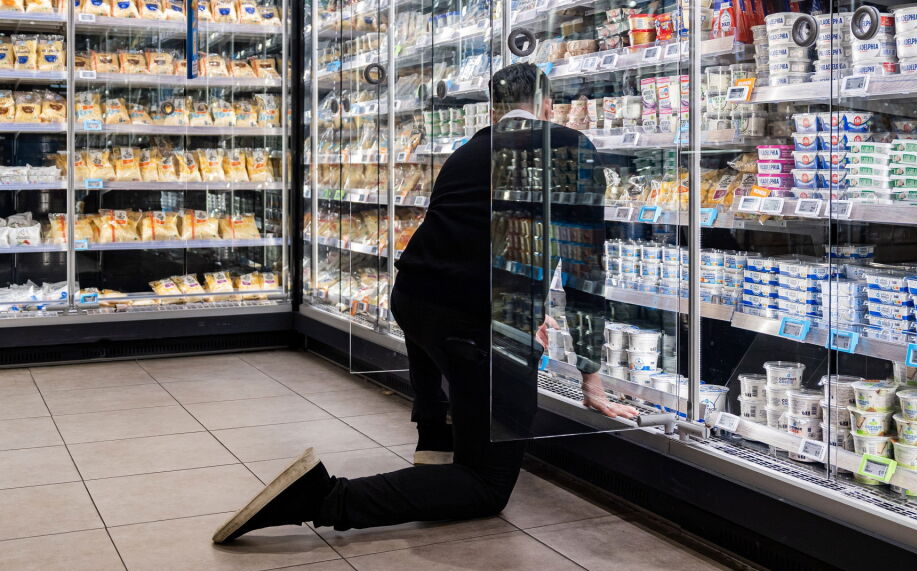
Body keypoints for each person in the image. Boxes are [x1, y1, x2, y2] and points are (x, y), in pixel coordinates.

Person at [211, 63, 637, 544]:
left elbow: (478, 240)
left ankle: (435, 438)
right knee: (486, 486)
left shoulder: (466, 152)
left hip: (414, 298)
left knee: (451, 366)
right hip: (476, 321)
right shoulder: (569, 145)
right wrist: (591, 374)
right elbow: (584, 267)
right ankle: (322, 498)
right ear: (548, 107)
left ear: (493, 110)